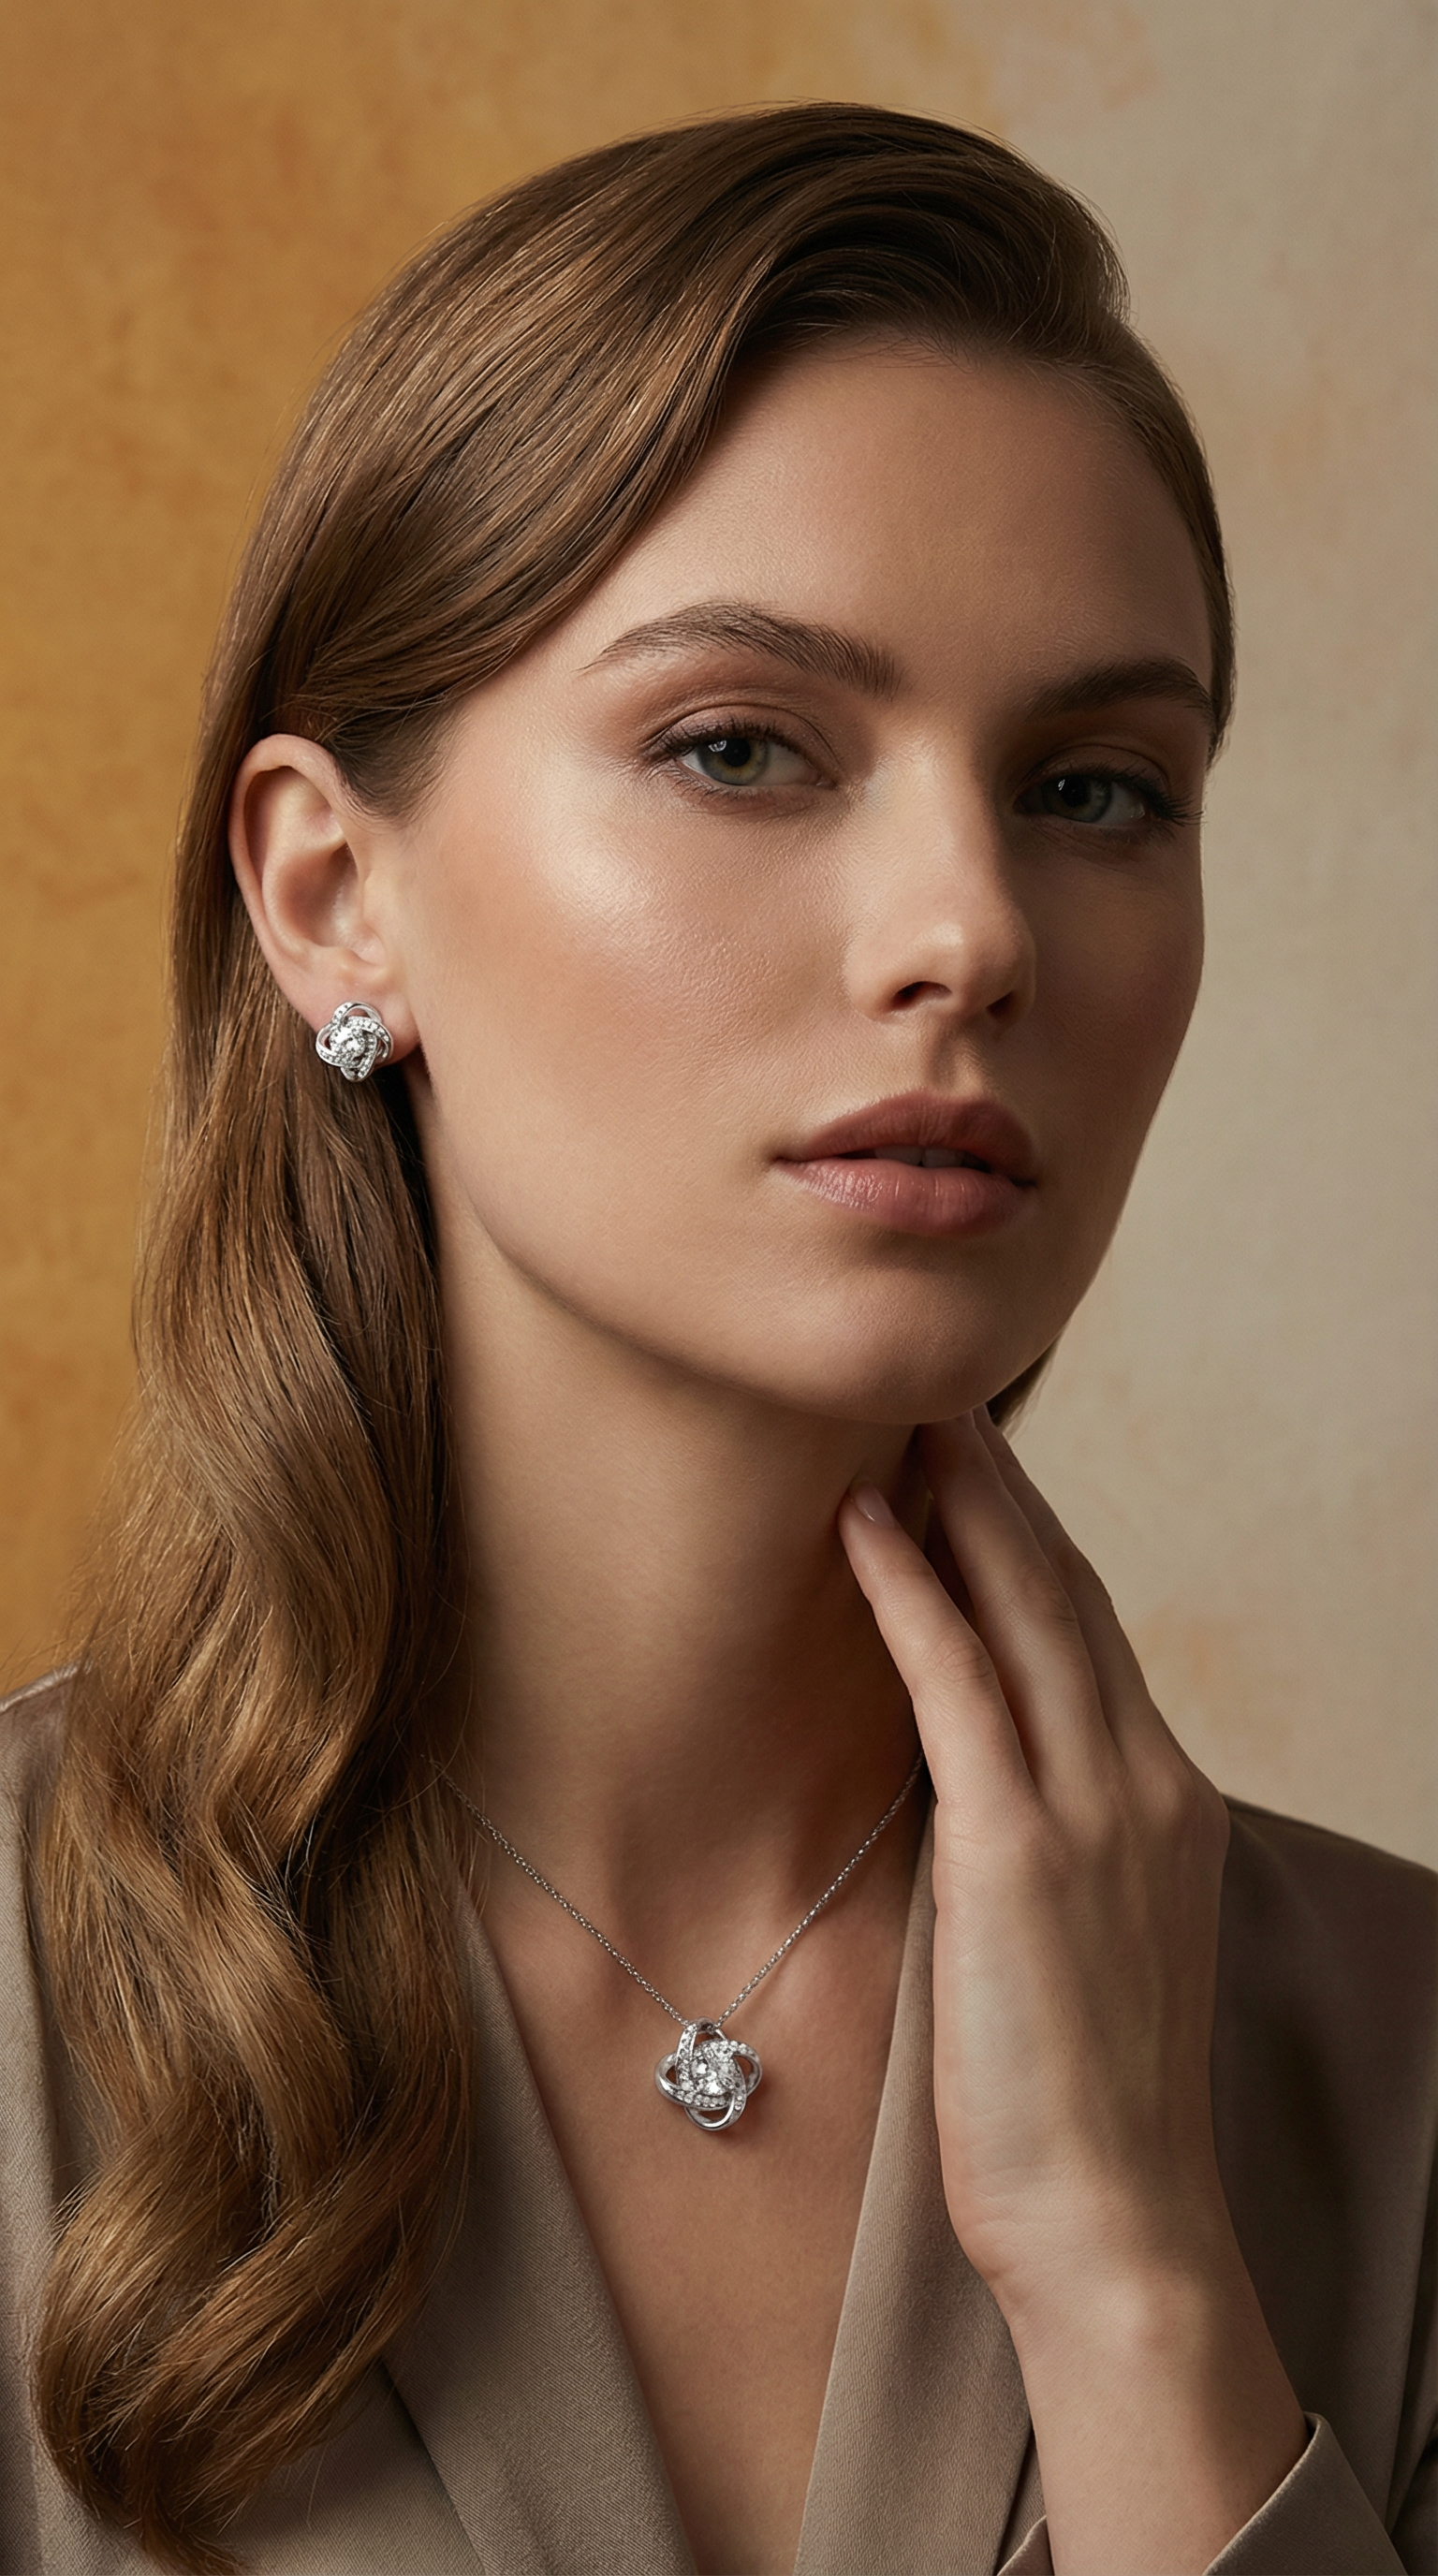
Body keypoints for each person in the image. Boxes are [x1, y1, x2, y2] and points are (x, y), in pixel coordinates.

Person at [0, 101, 1431, 2576]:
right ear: (333, 896)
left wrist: (1136, 2287)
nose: (969, 930)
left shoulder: (1399, 2077)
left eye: (1100, 789)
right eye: (739, 747)